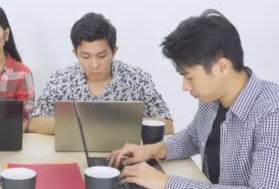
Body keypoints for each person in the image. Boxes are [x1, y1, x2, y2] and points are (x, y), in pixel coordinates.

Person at [109, 10, 279, 189]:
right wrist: (152, 151)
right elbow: (194, 137)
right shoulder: (213, 99)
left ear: (222, 67)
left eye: (189, 77)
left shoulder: (277, 114)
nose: (185, 87)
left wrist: (166, 182)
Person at [29, 12, 172, 135]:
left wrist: (118, 125)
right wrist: (85, 126)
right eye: (85, 56)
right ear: (75, 53)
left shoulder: (136, 79)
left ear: (114, 51)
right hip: (72, 155)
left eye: (102, 56)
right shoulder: (61, 80)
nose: (94, 64)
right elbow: (35, 123)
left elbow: (168, 125)